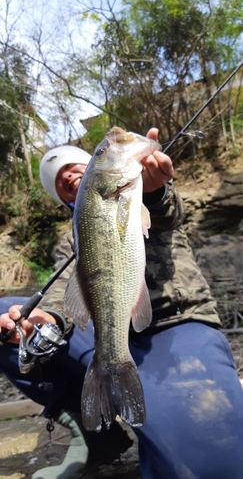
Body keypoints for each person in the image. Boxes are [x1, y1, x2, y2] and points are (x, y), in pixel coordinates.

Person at [0, 128, 243, 479]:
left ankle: (153, 419)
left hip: (174, 327)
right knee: (6, 316)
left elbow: (169, 214)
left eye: (76, 166)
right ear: (67, 196)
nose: (68, 175)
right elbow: (64, 287)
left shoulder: (145, 196)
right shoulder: (73, 239)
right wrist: (47, 317)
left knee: (212, 466)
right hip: (108, 332)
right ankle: (95, 431)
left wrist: (156, 190)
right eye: (60, 180)